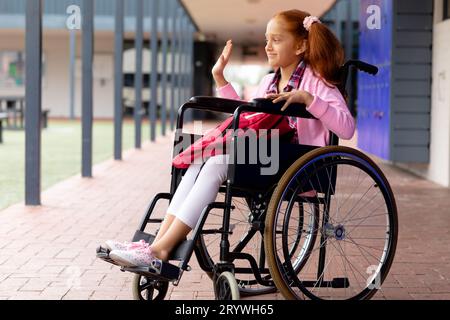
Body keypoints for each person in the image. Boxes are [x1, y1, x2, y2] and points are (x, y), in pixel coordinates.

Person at [104, 9, 355, 268]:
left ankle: (160, 250)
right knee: (199, 159)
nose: (268, 46)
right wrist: (220, 78)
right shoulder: (270, 81)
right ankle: (155, 245)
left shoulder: (318, 82)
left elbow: (346, 128)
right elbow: (249, 117)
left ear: (301, 45)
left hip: (300, 164)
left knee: (217, 163)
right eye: (267, 39)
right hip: (268, 156)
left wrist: (309, 100)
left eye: (276, 40)